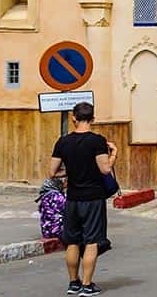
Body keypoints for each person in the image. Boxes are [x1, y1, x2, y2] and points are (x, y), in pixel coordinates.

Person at [48, 101, 117, 296]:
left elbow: (53, 172)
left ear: (74, 118)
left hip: (73, 198)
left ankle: (73, 283)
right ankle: (87, 285)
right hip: (93, 197)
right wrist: (114, 155)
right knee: (92, 241)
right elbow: (105, 169)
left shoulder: (63, 142)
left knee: (72, 241)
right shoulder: (97, 141)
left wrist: (70, 173)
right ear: (93, 119)